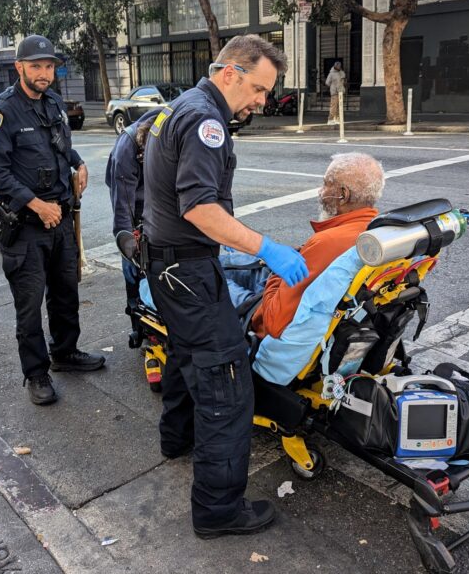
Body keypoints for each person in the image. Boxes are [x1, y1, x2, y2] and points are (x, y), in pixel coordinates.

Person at [142, 34, 308, 539]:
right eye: (259, 88)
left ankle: (178, 438)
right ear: (231, 73)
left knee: (187, 354)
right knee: (226, 382)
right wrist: (267, 248)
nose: (262, 101)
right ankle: (218, 510)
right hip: (186, 268)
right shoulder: (206, 121)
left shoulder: (178, 108)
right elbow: (200, 208)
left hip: (169, 266)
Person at [0, 34, 105, 406]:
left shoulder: (52, 102)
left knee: (66, 293)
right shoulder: (2, 112)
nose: (44, 73)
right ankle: (36, 374)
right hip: (27, 227)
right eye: (36, 66)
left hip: (61, 220)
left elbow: (60, 145)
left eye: (49, 66)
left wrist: (78, 162)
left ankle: (65, 353)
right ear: (18, 67)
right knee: (30, 304)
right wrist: (37, 205)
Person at [252, 152, 384, 338]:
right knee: (242, 259)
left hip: (268, 318)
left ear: (343, 195)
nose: (320, 192)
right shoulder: (378, 234)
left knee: (220, 278)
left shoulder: (328, 242)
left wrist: (277, 271)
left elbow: (273, 323)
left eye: (325, 184)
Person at [104, 108, 161, 334]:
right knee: (134, 265)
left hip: (157, 200)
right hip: (132, 201)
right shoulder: (126, 151)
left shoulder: (170, 129)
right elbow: (122, 212)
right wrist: (131, 246)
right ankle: (137, 322)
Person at [325, 61, 346, 125]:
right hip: (334, 92)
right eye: (337, 66)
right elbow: (327, 83)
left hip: (341, 91)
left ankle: (337, 119)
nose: (339, 67)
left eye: (340, 66)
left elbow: (344, 81)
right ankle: (330, 119)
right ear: (335, 66)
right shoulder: (331, 74)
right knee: (333, 106)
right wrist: (333, 85)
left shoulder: (342, 72)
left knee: (340, 106)